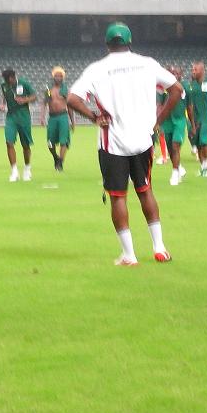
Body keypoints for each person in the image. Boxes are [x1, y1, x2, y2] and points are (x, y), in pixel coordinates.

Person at [67, 22, 180, 265]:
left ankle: (129, 255)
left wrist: (94, 117)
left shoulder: (97, 69)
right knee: (145, 190)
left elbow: (72, 99)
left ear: (107, 44)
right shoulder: (147, 63)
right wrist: (158, 120)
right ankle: (159, 248)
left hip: (113, 143)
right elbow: (176, 90)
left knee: (118, 196)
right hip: (143, 140)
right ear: (130, 41)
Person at [185, 61, 207, 177]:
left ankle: (206, 166)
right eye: (192, 70)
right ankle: (203, 167)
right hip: (193, 120)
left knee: (204, 141)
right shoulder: (190, 85)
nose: (193, 71)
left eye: (195, 69)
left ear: (202, 71)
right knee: (198, 144)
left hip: (206, 119)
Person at [0, 68, 37, 182]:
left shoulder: (24, 83)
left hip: (23, 116)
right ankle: (14, 171)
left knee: (25, 145)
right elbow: (4, 95)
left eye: (8, 79)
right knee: (9, 142)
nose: (6, 81)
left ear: (13, 77)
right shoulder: (4, 85)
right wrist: (2, 104)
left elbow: (34, 96)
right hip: (11, 117)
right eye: (5, 80)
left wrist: (25, 100)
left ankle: (27, 168)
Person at [40, 66, 75, 172]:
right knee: (50, 142)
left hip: (63, 116)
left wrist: (72, 121)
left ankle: (60, 163)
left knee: (64, 141)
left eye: (60, 76)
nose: (58, 78)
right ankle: (56, 157)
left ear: (63, 77)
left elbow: (70, 105)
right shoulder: (48, 89)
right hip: (52, 117)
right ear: (53, 77)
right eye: (56, 76)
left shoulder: (65, 90)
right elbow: (44, 103)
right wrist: (42, 117)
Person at [160, 65, 188, 186]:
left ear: (181, 74)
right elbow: (159, 105)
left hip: (180, 120)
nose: (174, 75)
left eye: (177, 73)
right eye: (172, 73)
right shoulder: (163, 89)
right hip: (167, 122)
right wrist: (158, 121)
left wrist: (192, 124)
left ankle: (175, 173)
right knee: (171, 149)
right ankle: (179, 167)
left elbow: (189, 106)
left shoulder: (185, 87)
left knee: (175, 146)